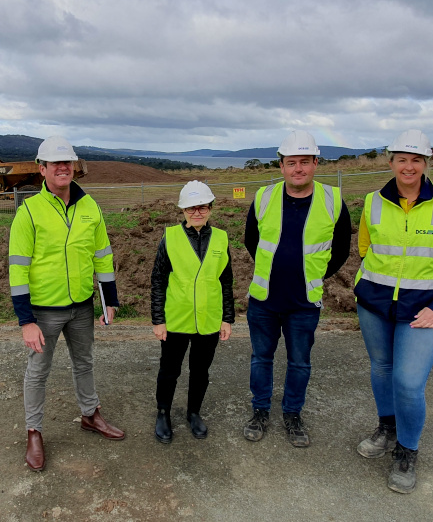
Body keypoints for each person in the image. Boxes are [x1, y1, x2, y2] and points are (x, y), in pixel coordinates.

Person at [353, 130, 433, 494]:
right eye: (402, 159)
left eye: (416, 159)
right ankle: (387, 428)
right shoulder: (373, 201)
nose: (409, 166)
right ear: (390, 162)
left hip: (423, 311)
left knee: (407, 382)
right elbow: (365, 248)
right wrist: (376, 292)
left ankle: (407, 450)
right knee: (382, 369)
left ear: (426, 163)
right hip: (374, 306)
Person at [8, 136, 124, 472]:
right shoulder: (29, 211)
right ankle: (34, 432)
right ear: (42, 169)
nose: (62, 168)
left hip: (81, 307)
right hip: (43, 311)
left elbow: (103, 255)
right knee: (38, 372)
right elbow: (17, 268)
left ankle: (90, 415)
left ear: (74, 167)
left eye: (67, 162)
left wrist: (110, 300)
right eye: (55, 163)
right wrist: (25, 320)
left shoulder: (90, 207)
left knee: (84, 362)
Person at [243, 130, 351, 447]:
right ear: (282, 166)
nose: (298, 169)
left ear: (316, 163)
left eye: (305, 162)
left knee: (300, 362)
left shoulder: (333, 200)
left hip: (304, 303)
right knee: (260, 359)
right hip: (264, 300)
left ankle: (293, 413)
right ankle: (260, 410)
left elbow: (341, 249)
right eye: (292, 163)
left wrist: (315, 275)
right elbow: (252, 241)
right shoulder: (263, 197)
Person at [150, 181, 234, 444]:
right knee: (169, 371)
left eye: (203, 207)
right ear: (182, 210)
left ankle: (193, 412)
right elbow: (158, 280)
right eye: (191, 208)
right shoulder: (170, 237)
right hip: (176, 319)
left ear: (210, 209)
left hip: (209, 319)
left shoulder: (221, 238)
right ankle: (163, 412)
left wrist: (227, 318)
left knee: (201, 371)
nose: (197, 213)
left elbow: (226, 281)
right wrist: (158, 320)